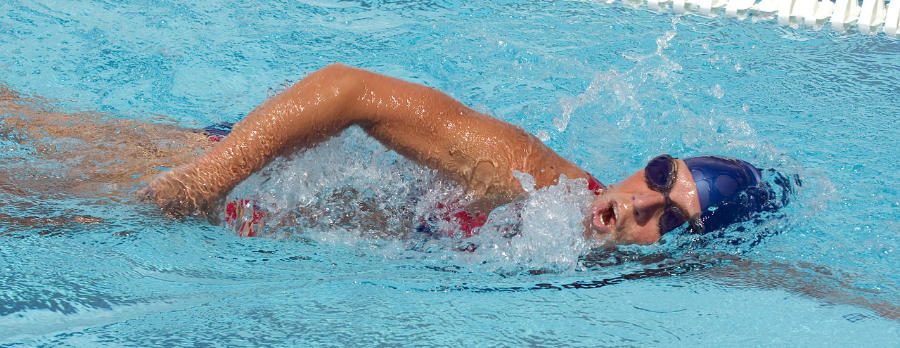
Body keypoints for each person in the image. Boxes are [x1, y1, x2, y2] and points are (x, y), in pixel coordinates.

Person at [135, 64, 785, 245]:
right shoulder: (530, 181)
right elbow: (346, 88)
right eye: (659, 176)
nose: (639, 202)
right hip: (232, 172)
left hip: (257, 218)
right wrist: (203, 183)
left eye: (669, 219)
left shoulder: (608, 261)